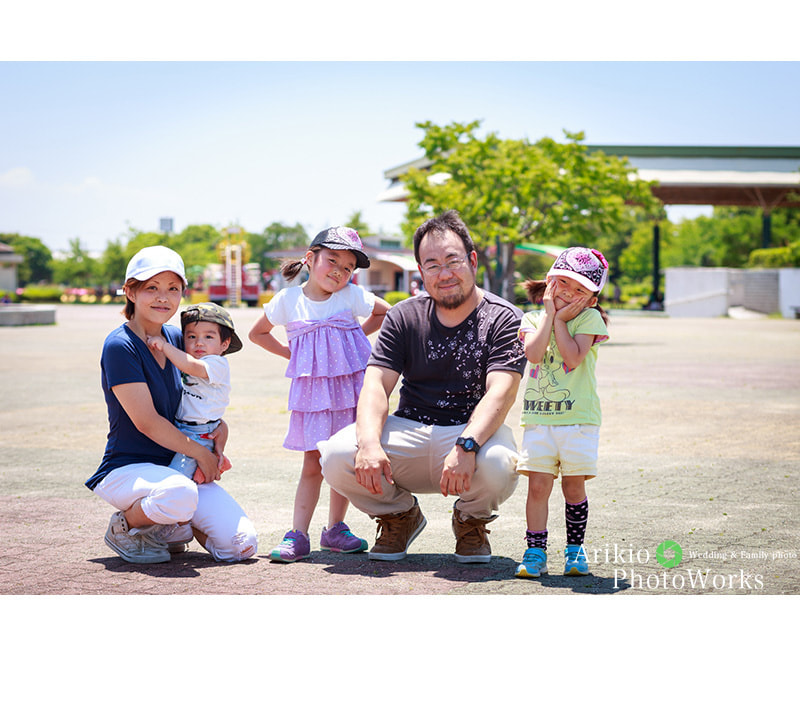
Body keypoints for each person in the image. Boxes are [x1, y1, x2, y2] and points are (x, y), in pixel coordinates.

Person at [320, 210, 526, 563]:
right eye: (431, 265)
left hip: (470, 433)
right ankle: (399, 515)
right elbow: (375, 386)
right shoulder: (404, 316)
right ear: (420, 271)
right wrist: (369, 444)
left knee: (499, 463)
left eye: (452, 261)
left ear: (472, 260)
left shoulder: (503, 317)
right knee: (337, 455)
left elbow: (501, 391)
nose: (443, 274)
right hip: (409, 430)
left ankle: (470, 520)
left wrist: (467, 444)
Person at [85, 246, 258, 564]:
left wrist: (220, 429)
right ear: (130, 291)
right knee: (180, 494)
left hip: (180, 467)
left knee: (241, 546)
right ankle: (126, 526)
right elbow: (147, 422)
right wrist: (201, 453)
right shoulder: (120, 346)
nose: (163, 297)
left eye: (173, 289)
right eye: (152, 287)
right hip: (129, 468)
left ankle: (171, 526)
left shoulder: (179, 340)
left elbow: (204, 397)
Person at [249, 226, 391, 562]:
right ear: (310, 259)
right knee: (313, 463)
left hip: (349, 391)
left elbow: (385, 311)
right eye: (332, 261)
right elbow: (257, 333)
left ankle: (335, 530)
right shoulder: (289, 300)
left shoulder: (351, 296)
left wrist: (357, 335)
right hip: (312, 397)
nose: (339, 272)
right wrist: (292, 354)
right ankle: (298, 534)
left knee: (340, 459)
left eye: (347, 268)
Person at [514, 246, 610, 579]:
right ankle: (535, 551)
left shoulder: (590, 319)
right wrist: (550, 316)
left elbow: (571, 358)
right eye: (564, 282)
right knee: (538, 487)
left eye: (580, 289)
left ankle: (574, 551)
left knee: (573, 488)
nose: (569, 292)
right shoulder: (530, 319)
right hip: (540, 421)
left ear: (592, 299)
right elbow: (535, 355)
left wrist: (563, 320)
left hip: (579, 421)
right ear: (550, 280)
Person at [146, 302, 242, 484]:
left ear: (224, 344)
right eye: (191, 336)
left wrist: (165, 347)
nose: (199, 342)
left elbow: (190, 366)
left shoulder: (217, 364)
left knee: (177, 480)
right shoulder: (187, 358)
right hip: (180, 428)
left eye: (208, 337)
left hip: (199, 433)